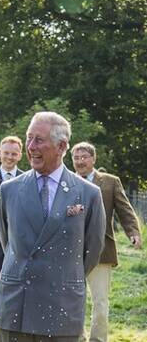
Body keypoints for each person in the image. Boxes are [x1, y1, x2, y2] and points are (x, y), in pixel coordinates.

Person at [0, 112, 106, 342]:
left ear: (61, 146)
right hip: (16, 307)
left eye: (39, 140)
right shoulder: (8, 191)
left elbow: (92, 250)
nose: (31, 147)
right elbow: (8, 244)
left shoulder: (88, 193)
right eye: (29, 138)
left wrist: (61, 276)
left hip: (62, 306)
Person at [71, 142, 142, 342]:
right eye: (76, 158)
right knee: (72, 300)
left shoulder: (110, 182)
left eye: (84, 157)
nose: (80, 161)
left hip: (102, 251)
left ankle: (98, 339)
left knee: (100, 302)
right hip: (70, 251)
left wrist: (133, 231)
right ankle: (76, 338)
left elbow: (124, 209)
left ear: (93, 159)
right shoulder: (65, 181)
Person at [0, 135, 23, 291]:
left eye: (14, 154)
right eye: (6, 153)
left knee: (19, 289)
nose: (9, 157)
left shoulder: (27, 179)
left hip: (21, 244)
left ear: (20, 156)